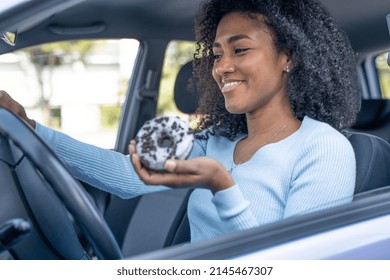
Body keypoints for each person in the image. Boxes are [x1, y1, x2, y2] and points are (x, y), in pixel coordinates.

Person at [0, 0, 359, 243]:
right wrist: (31, 128)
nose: (222, 67)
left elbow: (287, 265)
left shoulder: (324, 148)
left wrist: (222, 187)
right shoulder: (216, 141)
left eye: (241, 49)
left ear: (289, 57)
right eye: (217, 54)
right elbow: (128, 177)